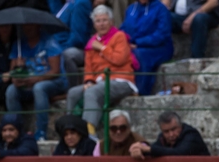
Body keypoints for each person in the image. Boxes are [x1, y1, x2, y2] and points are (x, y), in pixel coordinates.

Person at [66, 5, 136, 135]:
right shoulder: (91, 43)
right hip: (99, 83)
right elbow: (89, 68)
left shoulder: (119, 36)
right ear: (94, 24)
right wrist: (88, 81)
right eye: (98, 21)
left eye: (104, 20)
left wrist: (102, 48)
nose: (102, 24)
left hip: (121, 80)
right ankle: (71, 130)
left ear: (111, 22)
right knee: (73, 93)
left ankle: (89, 134)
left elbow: (119, 59)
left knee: (91, 93)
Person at [5, 24, 69, 141]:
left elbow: (55, 71)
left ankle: (41, 132)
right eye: (25, 26)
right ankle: (17, 130)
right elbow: (12, 72)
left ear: (38, 26)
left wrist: (35, 80)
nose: (28, 28)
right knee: (11, 90)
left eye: (31, 26)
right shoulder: (19, 44)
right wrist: (17, 73)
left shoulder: (49, 42)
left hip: (53, 81)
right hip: (28, 82)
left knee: (39, 88)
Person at [119, 0, 172, 95]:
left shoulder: (160, 9)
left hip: (159, 47)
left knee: (139, 55)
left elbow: (162, 34)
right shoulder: (131, 9)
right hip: (134, 45)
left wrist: (138, 43)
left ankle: (141, 92)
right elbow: (123, 29)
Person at [129, 111, 209, 159]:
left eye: (174, 129)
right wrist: (138, 149)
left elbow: (179, 153)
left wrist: (147, 149)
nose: (171, 134)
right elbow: (156, 149)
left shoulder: (191, 135)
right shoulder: (162, 138)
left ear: (180, 126)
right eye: (166, 131)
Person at [57, 0, 94, 86]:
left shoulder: (81, 3)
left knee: (67, 54)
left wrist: (60, 49)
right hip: (59, 45)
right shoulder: (67, 3)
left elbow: (78, 37)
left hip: (77, 48)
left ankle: (70, 88)